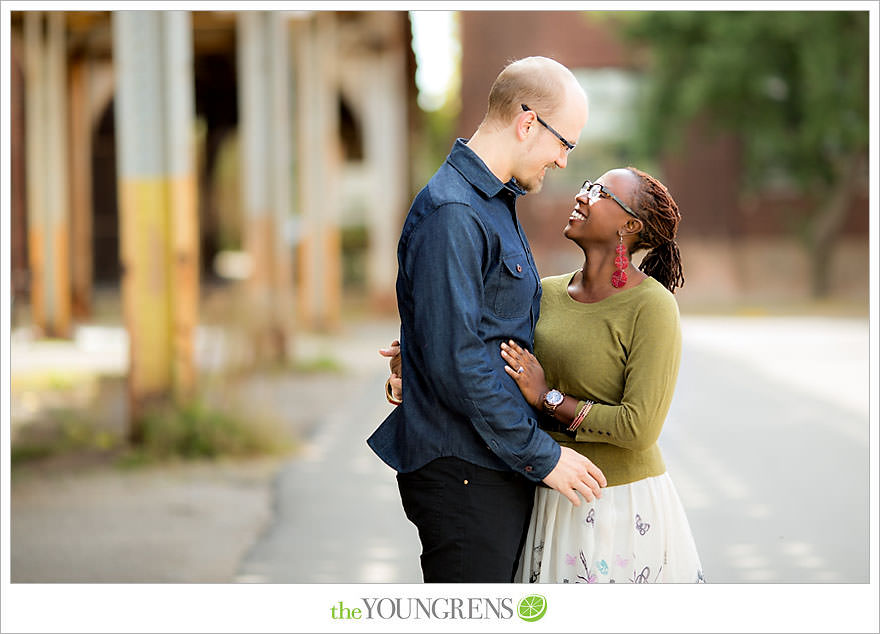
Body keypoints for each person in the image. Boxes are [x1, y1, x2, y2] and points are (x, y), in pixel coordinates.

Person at [386, 167, 704, 583]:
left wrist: (547, 398)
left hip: (618, 505)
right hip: (544, 495)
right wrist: (416, 365)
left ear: (630, 225)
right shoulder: (544, 292)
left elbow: (638, 427)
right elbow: (485, 363)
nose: (583, 195)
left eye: (602, 193)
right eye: (589, 184)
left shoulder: (652, 306)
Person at [366, 56, 607, 584]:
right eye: (564, 143)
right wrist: (544, 457)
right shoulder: (454, 211)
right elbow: (461, 361)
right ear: (527, 123)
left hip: (488, 464)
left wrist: (417, 352)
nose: (564, 161)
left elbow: (468, 329)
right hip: (465, 472)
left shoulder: (493, 203)